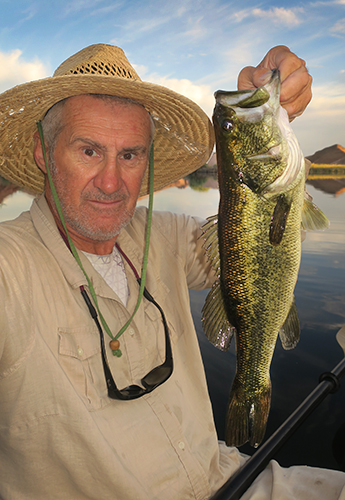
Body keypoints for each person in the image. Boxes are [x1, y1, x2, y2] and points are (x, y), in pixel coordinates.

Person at [0, 43, 343, 500]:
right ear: (45, 154)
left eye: (130, 155)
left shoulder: (166, 236)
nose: (110, 181)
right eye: (88, 151)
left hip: (230, 475)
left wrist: (273, 125)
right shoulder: (10, 267)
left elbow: (271, 245)